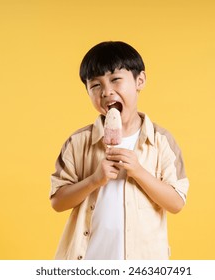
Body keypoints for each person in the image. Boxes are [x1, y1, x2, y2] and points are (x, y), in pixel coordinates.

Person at [50, 41, 189, 260]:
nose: (106, 92)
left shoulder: (162, 142)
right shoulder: (78, 143)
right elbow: (57, 202)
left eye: (115, 80)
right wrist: (94, 180)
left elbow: (176, 203)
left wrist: (138, 172)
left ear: (139, 81)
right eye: (95, 85)